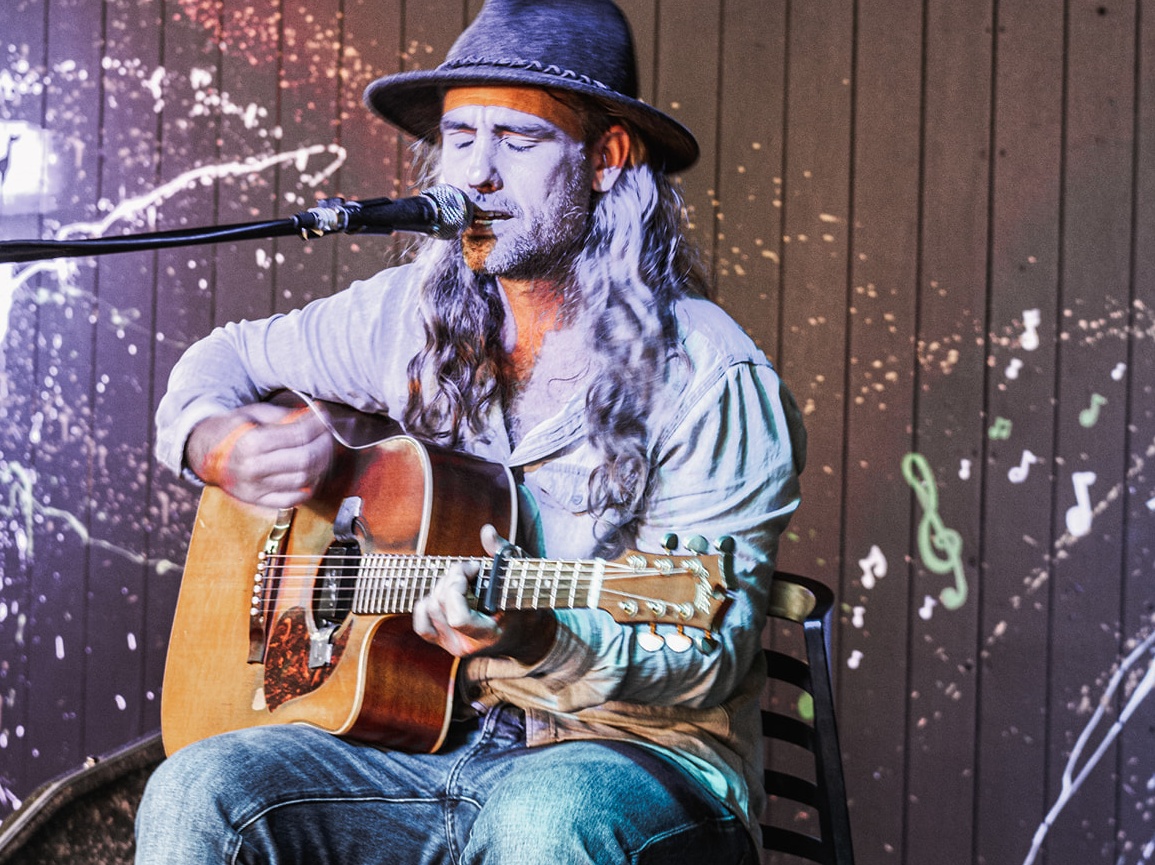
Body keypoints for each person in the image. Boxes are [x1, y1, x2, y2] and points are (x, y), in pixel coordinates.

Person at [136, 0, 806, 862]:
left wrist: (538, 634)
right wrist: (214, 442)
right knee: (200, 788)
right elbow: (222, 359)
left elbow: (703, 651)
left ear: (606, 159)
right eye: (460, 138)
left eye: (518, 142)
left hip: (629, 758)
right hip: (420, 740)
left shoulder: (711, 377)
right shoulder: (407, 315)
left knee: (537, 819)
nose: (477, 174)